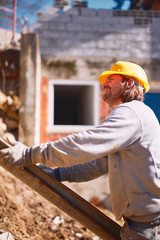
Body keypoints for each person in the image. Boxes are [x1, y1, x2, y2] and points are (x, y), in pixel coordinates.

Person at [0, 61, 160, 240]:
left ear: (130, 83)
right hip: (143, 224)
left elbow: (84, 144)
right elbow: (97, 164)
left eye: (111, 78)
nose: (103, 84)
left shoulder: (131, 113)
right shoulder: (134, 117)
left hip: (150, 226)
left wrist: (29, 154)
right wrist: (58, 174)